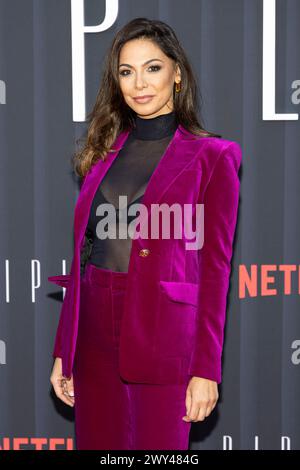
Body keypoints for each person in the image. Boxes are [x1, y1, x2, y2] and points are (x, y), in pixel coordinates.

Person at [49, 17, 242, 450]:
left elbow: (215, 270)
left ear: (177, 73)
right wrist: (66, 347)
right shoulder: (102, 150)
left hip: (164, 333)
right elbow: (84, 254)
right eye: (126, 71)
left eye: (152, 68)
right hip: (94, 331)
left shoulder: (213, 157)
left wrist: (206, 369)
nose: (140, 83)